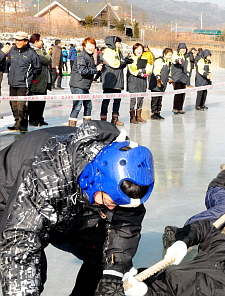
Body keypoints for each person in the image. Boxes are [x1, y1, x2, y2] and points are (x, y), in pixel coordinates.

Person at [0, 121, 155, 296]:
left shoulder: (127, 177)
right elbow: (20, 248)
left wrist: (113, 271)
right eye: (107, 200)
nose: (113, 208)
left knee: (104, 259)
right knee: (31, 271)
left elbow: (125, 226)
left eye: (118, 204)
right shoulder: (47, 174)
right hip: (9, 196)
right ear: (93, 179)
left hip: (75, 202)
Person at [2, 31, 41, 132]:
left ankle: (23, 124)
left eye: (19, 40)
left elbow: (38, 68)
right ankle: (17, 122)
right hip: (12, 82)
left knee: (21, 105)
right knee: (13, 104)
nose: (17, 42)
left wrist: (30, 78)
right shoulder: (13, 51)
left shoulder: (31, 53)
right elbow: (8, 63)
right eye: (16, 40)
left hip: (24, 84)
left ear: (26, 41)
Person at [68, 37, 102, 126]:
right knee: (77, 106)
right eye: (89, 45)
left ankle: (87, 126)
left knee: (88, 105)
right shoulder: (82, 56)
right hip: (78, 85)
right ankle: (71, 127)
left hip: (84, 85)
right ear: (84, 46)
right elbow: (82, 70)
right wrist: (96, 69)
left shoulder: (89, 57)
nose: (91, 48)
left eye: (93, 46)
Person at [100, 36, 131, 125]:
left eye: (119, 43)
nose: (119, 45)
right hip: (110, 80)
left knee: (117, 100)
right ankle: (103, 120)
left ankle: (115, 119)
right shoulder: (108, 52)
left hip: (118, 79)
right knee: (106, 100)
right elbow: (115, 64)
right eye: (117, 43)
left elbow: (120, 64)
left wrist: (126, 62)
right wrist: (124, 62)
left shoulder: (118, 52)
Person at [28, 33, 51, 127]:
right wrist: (46, 58)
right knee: (34, 102)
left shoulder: (41, 50)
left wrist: (46, 58)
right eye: (41, 40)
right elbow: (45, 59)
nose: (43, 42)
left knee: (42, 100)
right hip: (36, 79)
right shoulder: (31, 50)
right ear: (35, 41)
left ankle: (40, 118)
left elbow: (49, 59)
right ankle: (33, 119)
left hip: (44, 80)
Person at [127, 43, 153, 124]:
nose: (139, 51)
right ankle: (132, 117)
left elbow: (149, 68)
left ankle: (139, 116)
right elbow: (132, 70)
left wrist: (144, 72)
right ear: (134, 50)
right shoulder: (131, 59)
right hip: (133, 81)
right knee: (133, 100)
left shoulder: (145, 58)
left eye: (140, 49)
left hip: (142, 81)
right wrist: (141, 72)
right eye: (137, 49)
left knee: (141, 99)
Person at [149, 47, 173, 120]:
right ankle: (153, 113)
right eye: (169, 55)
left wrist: (169, 78)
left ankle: (158, 112)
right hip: (156, 83)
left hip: (163, 84)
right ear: (164, 54)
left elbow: (169, 72)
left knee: (160, 99)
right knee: (155, 99)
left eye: (171, 55)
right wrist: (158, 79)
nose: (170, 56)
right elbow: (156, 70)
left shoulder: (168, 62)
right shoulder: (159, 61)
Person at [171, 43, 189, 114]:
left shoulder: (186, 57)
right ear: (179, 49)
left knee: (183, 93)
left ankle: (180, 108)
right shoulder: (176, 55)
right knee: (177, 92)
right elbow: (174, 60)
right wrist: (178, 61)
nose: (183, 50)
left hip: (183, 77)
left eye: (184, 49)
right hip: (176, 77)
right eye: (182, 49)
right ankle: (175, 108)